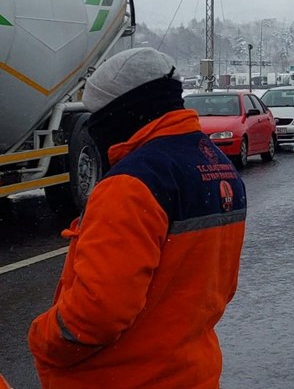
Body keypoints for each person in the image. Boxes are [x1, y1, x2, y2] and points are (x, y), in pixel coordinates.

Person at [28, 48, 247, 389]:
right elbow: (217, 289)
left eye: (97, 116)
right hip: (191, 373)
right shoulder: (218, 167)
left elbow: (97, 314)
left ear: (123, 112)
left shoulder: (130, 185)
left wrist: (42, 339)